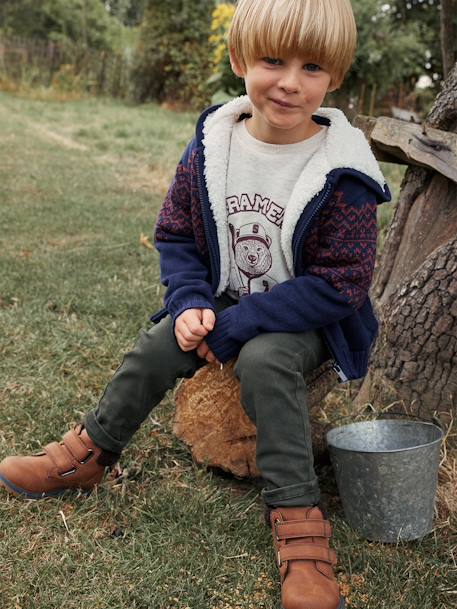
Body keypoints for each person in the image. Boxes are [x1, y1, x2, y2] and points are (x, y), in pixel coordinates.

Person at [0, 1, 391, 607]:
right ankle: (93, 450)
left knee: (263, 362)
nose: (290, 81)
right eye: (272, 60)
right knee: (162, 341)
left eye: (311, 66)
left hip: (311, 318)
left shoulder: (343, 171)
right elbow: (177, 234)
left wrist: (241, 323)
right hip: (227, 300)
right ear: (239, 59)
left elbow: (341, 282)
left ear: (333, 77)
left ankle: (299, 523)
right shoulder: (214, 145)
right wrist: (188, 300)